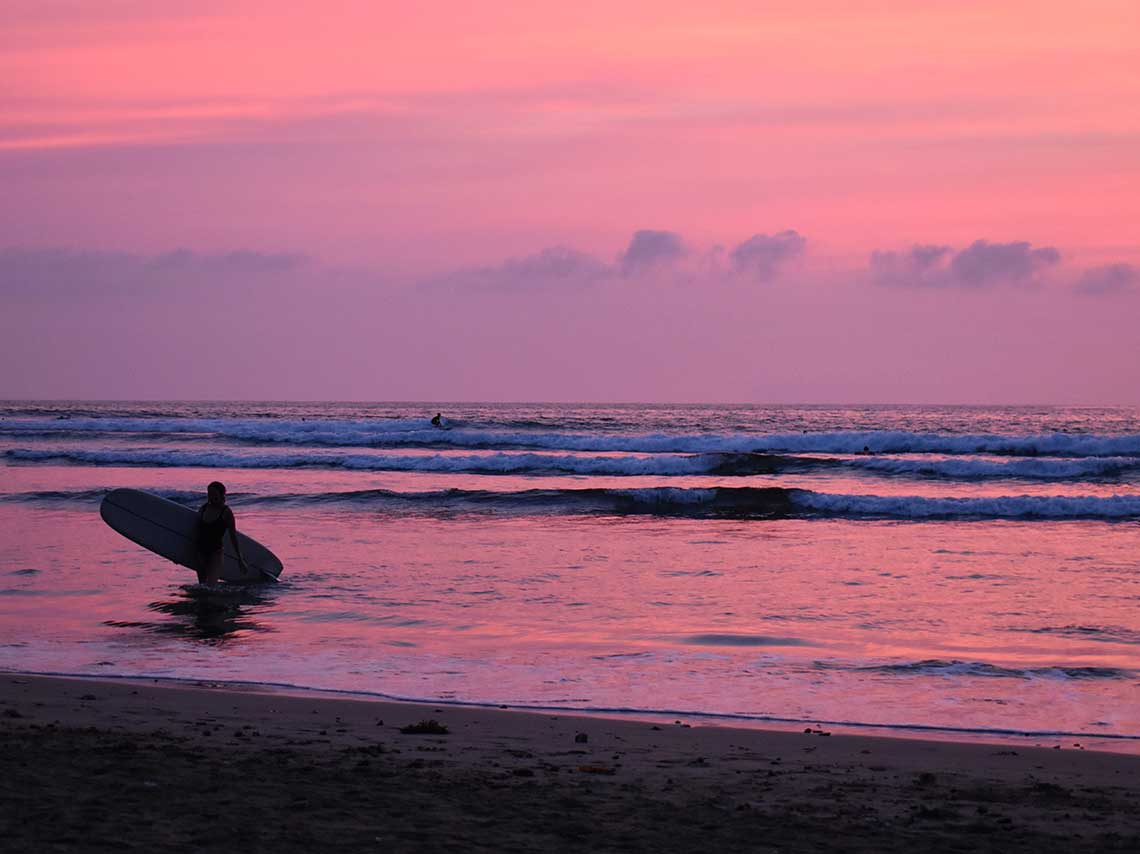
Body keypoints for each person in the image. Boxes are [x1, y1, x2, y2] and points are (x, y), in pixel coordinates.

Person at [196, 481, 248, 584]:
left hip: (215, 552)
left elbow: (233, 537)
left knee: (211, 585)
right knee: (202, 586)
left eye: (214, 494)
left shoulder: (226, 512)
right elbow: (195, 530)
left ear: (221, 495)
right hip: (200, 551)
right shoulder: (203, 508)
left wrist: (240, 559)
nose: (211, 497)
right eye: (209, 494)